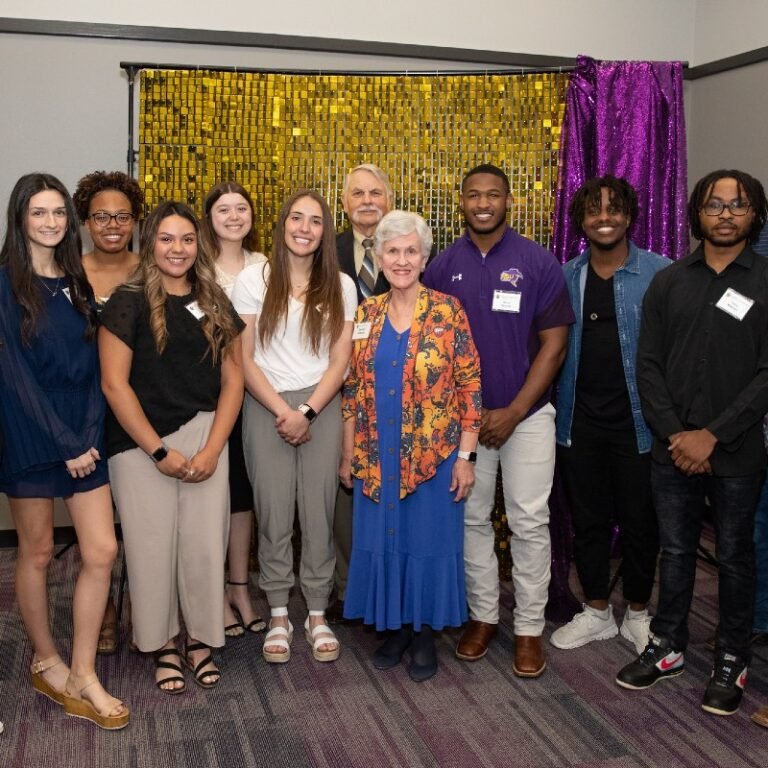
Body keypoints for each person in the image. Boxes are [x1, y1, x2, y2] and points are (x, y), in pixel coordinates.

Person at [616, 170, 768, 716]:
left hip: (737, 451)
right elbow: (648, 365)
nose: (725, 214)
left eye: (738, 205)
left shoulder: (767, 281)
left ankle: (732, 656)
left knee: (734, 556)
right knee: (675, 552)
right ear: (696, 214)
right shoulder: (669, 281)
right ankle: (668, 645)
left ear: (754, 215)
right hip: (672, 447)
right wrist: (677, 434)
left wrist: (713, 435)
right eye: (714, 205)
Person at [423, 163, 574, 677]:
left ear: (508, 201)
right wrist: (467, 415)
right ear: (460, 202)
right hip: (463, 422)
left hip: (527, 416)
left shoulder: (537, 261)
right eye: (473, 195)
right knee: (470, 520)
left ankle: (529, 628)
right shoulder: (441, 266)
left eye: (493, 195)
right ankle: (484, 616)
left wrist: (512, 412)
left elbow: (554, 346)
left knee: (530, 522)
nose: (483, 203)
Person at [0, 173, 128, 729]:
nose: (51, 222)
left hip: (84, 431)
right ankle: (46, 659)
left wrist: (87, 435)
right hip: (30, 431)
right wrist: (62, 441)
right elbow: (14, 375)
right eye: (39, 213)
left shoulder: (76, 282)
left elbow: (97, 365)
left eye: (58, 214)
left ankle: (82, 673)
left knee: (101, 550)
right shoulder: (6, 282)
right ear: (20, 219)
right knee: (37, 553)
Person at [99, 201, 244, 693]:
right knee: (151, 546)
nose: (177, 249)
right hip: (141, 444)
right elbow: (115, 386)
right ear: (150, 243)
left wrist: (212, 449)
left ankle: (202, 640)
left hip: (206, 436)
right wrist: (159, 452)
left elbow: (233, 380)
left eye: (186, 239)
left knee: (205, 547)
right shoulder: (127, 300)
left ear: (197, 244)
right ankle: (161, 643)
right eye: (166, 239)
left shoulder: (215, 301)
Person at [340, 210, 481, 681]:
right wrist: (348, 454)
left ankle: (423, 635)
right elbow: (354, 390)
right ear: (378, 257)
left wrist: (465, 456)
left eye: (411, 251)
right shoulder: (365, 314)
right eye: (392, 251)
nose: (401, 260)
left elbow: (470, 386)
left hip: (433, 457)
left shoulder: (448, 311)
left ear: (425, 257)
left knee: (427, 543)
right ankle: (395, 628)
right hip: (377, 456)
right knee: (384, 542)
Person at [232, 190, 356, 664]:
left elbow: (341, 359)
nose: (305, 228)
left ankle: (318, 613)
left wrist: (306, 412)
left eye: (316, 221)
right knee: (275, 513)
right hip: (265, 405)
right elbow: (243, 358)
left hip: (321, 405)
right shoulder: (252, 279)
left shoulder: (341, 285)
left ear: (326, 231)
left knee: (320, 515)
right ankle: (280, 612)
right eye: (297, 218)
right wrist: (282, 411)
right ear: (283, 224)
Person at [551, 176, 670, 654]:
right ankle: (597, 610)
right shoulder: (565, 277)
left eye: (614, 208)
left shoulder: (660, 275)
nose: (604, 217)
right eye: (594, 209)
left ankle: (638, 613)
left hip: (641, 426)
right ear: (581, 219)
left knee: (643, 523)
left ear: (629, 216)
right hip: (579, 422)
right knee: (589, 520)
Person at [73, 169, 143, 655]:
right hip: (83, 410)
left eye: (122, 216)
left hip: (139, 407)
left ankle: (143, 600)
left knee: (140, 517)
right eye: (101, 217)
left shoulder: (152, 270)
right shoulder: (69, 274)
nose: (112, 225)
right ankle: (106, 610)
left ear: (135, 220)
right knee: (96, 524)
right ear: (85, 222)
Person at [201, 181, 267, 638]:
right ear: (209, 217)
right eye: (223, 209)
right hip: (205, 394)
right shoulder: (193, 265)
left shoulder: (266, 266)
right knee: (208, 496)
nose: (232, 216)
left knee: (241, 497)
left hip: (256, 393)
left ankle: (239, 587)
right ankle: (208, 593)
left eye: (241, 208)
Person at [329, 163, 394, 623]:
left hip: (397, 392)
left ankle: (392, 585)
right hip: (336, 389)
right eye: (357, 193)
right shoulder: (323, 252)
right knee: (344, 491)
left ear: (388, 200)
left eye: (375, 192)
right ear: (345, 202)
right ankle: (349, 590)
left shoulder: (408, 246)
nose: (367, 200)